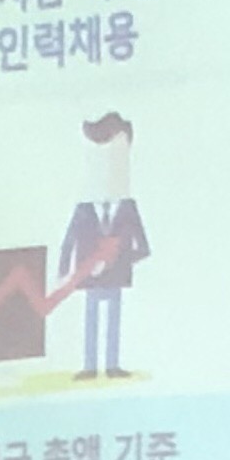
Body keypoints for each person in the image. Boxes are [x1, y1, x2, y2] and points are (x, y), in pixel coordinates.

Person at [56, 112, 151, 379]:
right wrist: (65, 271)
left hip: (115, 274)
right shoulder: (83, 209)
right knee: (91, 318)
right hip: (89, 275)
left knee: (113, 319)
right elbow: (68, 241)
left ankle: (111, 365)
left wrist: (119, 259)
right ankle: (89, 366)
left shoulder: (128, 208)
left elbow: (144, 247)